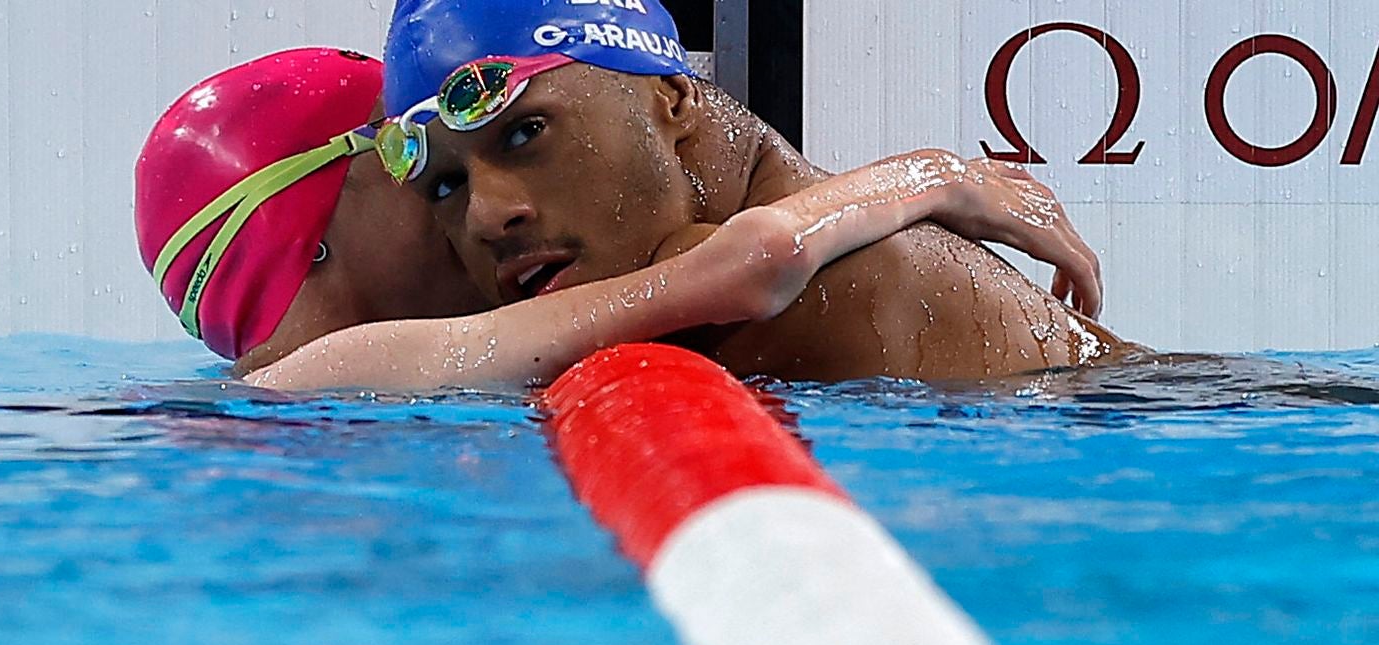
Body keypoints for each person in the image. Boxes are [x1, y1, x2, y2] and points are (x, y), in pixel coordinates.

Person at [135, 47, 1106, 391]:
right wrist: (935, 177)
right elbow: (744, 263)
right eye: (423, 167)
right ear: (317, 239)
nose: (482, 210)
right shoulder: (338, 377)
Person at [380, 0, 1141, 383]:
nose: (486, 216)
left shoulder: (795, 284)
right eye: (445, 184)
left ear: (673, 99)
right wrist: (934, 175)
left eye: (524, 134)